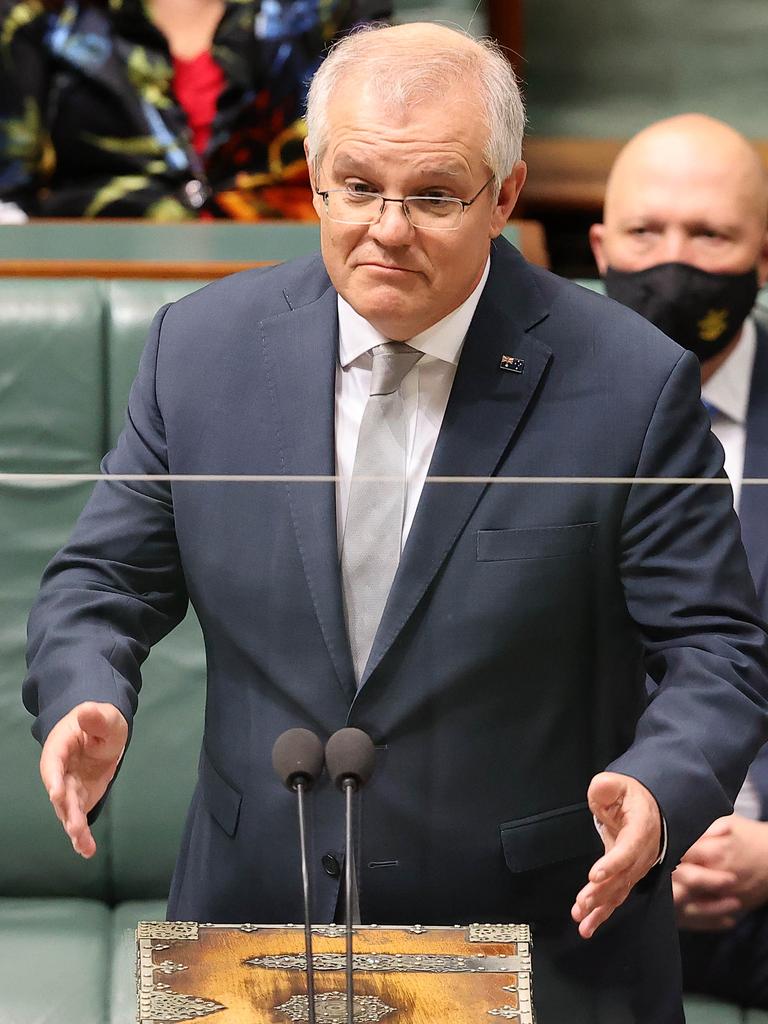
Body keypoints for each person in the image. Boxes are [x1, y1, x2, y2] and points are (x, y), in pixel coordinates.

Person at [22, 25, 768, 1024]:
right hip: (256, 928)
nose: (386, 227)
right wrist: (85, 694)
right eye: (358, 186)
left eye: (432, 196)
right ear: (315, 183)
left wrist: (662, 781)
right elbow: (101, 584)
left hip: (541, 942)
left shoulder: (631, 382)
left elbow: (716, 646)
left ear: (505, 195)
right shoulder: (199, 350)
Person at [589, 112, 768, 1010]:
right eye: (645, 232)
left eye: (710, 234)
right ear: (599, 245)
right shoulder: (513, 416)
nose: (674, 260)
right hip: (567, 884)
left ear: (762, 255)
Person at [0, 0, 389, 220]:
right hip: (97, 274)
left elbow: (380, 160)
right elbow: (12, 197)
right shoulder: (40, 15)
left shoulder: (328, 12)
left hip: (291, 269)